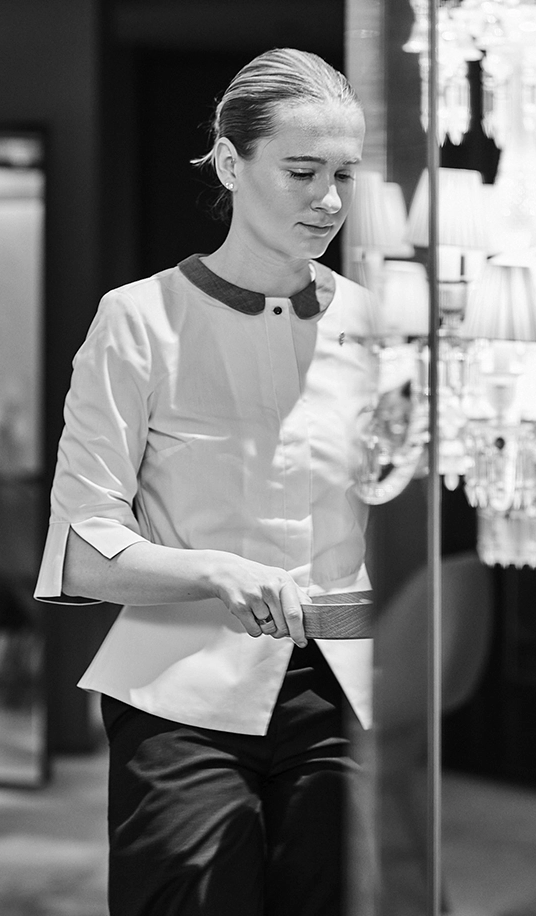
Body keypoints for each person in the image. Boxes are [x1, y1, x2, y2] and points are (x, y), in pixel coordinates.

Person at [34, 47, 376, 916]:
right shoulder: (138, 319)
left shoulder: (379, 329)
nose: (329, 199)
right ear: (231, 161)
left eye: (343, 173)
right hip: (178, 690)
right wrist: (217, 571)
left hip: (344, 688)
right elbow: (84, 547)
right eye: (302, 171)